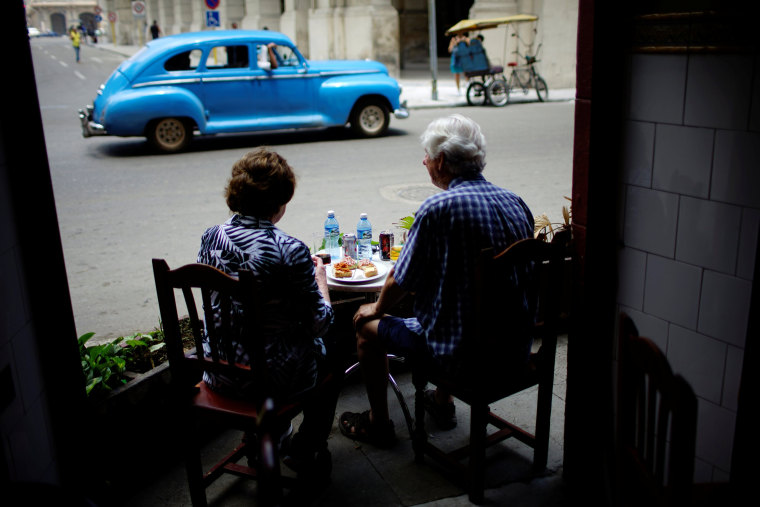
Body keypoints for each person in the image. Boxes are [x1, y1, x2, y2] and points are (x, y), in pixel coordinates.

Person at [339, 114, 535, 447]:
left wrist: (376, 308)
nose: (424, 161)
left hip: (463, 357)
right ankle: (442, 402)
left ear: (441, 161)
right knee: (458, 311)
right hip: (514, 350)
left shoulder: (438, 208)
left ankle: (379, 423)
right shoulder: (516, 202)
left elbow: (401, 280)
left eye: (428, 156)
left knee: (365, 328)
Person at [197, 147, 340, 479]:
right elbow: (321, 323)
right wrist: (320, 280)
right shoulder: (289, 249)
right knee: (333, 357)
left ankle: (268, 437)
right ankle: (305, 451)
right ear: (281, 200)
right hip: (266, 382)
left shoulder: (211, 236)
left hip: (217, 371)